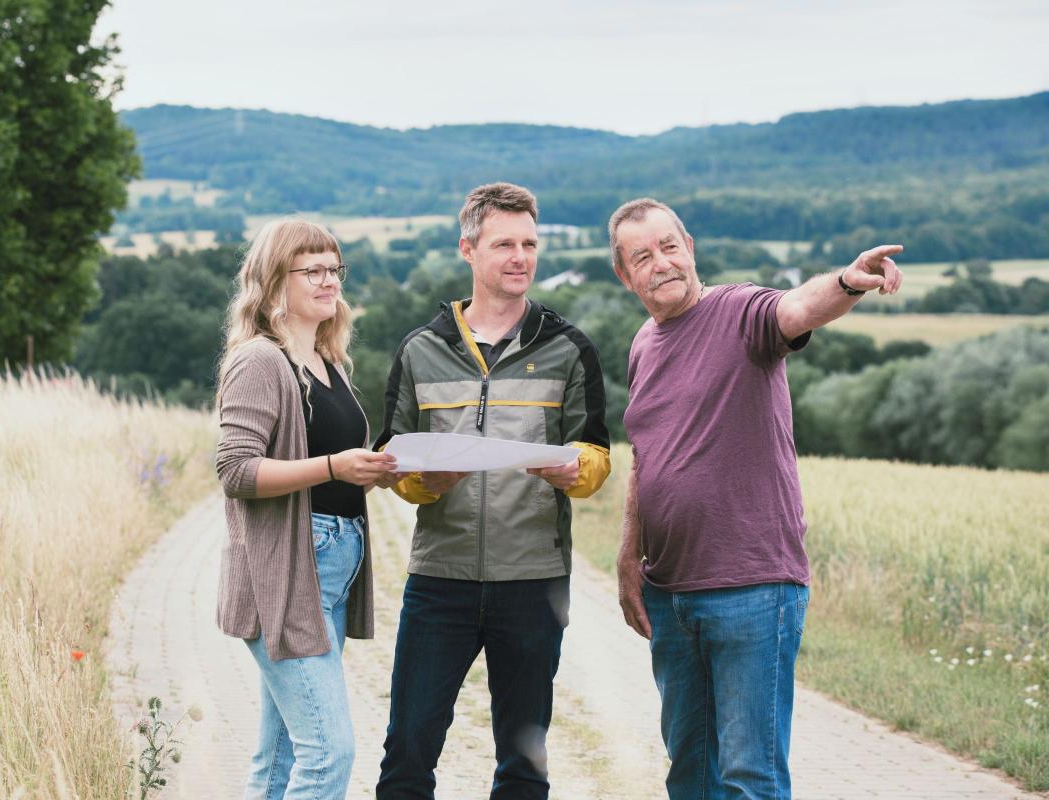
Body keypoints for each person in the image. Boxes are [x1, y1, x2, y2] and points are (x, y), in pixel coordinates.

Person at [608, 197, 904, 800]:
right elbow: (646, 460)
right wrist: (627, 559)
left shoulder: (739, 311)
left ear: (689, 248)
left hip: (752, 589)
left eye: (669, 246)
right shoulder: (643, 344)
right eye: (642, 256)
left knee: (750, 777)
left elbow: (798, 308)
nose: (660, 263)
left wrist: (848, 281)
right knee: (690, 776)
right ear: (625, 274)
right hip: (670, 593)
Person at [373, 182, 612, 799]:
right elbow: (392, 459)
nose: (520, 257)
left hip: (534, 581)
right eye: (504, 243)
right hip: (439, 580)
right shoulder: (421, 350)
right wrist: (425, 481)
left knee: (523, 765)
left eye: (530, 244)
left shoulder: (568, 348)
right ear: (469, 250)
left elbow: (595, 453)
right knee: (406, 753)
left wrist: (575, 471)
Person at [214, 218, 397, 800]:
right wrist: (333, 467)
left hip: (333, 567)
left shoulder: (328, 361)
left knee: (281, 758)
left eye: (334, 269)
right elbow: (235, 471)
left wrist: (370, 471)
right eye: (311, 269)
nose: (328, 281)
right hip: (286, 572)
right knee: (328, 753)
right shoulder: (260, 361)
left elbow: (331, 471)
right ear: (274, 282)